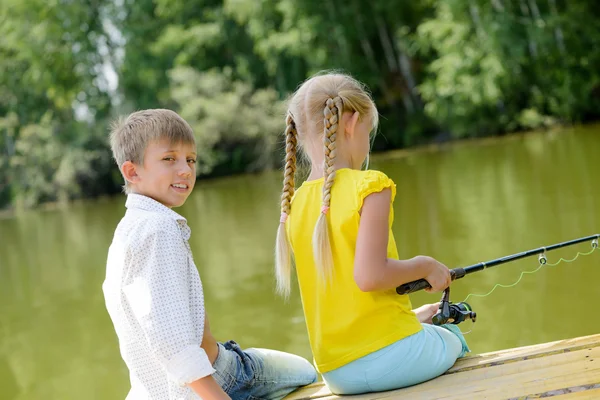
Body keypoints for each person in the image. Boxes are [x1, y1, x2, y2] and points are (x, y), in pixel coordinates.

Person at [274, 73, 469, 395]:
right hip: (390, 359)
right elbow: (370, 276)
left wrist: (411, 318)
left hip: (337, 374)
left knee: (425, 331)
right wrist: (426, 266)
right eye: (368, 131)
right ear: (351, 123)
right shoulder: (369, 186)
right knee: (454, 339)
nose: (367, 142)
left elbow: (353, 294)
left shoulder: (293, 205)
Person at [103, 109, 317, 400]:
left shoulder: (126, 232)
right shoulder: (159, 228)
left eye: (191, 159)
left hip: (153, 388)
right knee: (305, 371)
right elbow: (171, 341)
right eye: (169, 159)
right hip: (219, 376)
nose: (185, 170)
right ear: (132, 171)